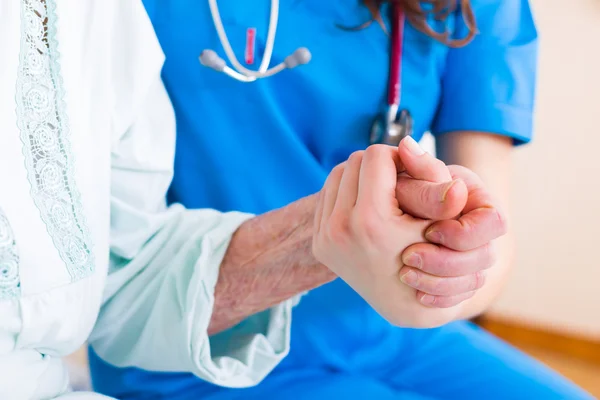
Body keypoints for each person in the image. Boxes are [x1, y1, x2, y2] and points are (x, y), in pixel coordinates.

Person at [87, 0, 595, 399]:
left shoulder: (475, 7)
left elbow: (493, 242)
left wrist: (445, 258)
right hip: (193, 345)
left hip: (391, 335)